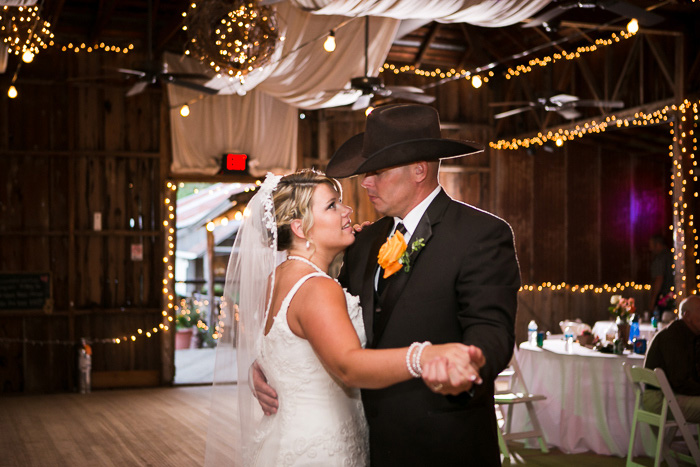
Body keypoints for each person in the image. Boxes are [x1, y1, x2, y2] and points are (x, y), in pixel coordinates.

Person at [255, 104, 521, 466]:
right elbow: (320, 325)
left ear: (419, 170)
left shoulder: (481, 234)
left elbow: (492, 330)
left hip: (445, 442)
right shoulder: (363, 240)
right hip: (370, 442)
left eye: (376, 172)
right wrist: (268, 365)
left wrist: (469, 362)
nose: (365, 183)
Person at [218, 169, 484, 466]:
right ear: (300, 228)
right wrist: (424, 355)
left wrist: (264, 365)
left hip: (286, 437)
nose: (348, 211)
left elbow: (288, 348)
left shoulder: (276, 278)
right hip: (323, 446)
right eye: (332, 205)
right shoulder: (317, 287)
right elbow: (347, 365)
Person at [643, 295, 700, 422]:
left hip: (672, 394)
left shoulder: (692, 335)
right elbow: (680, 382)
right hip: (660, 399)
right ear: (687, 315)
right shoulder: (672, 337)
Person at [648, 234, 674, 313]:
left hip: (664, 299)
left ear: (658, 245)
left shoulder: (660, 258)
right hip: (673, 296)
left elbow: (659, 279)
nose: (650, 248)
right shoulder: (671, 255)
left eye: (651, 245)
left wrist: (652, 302)